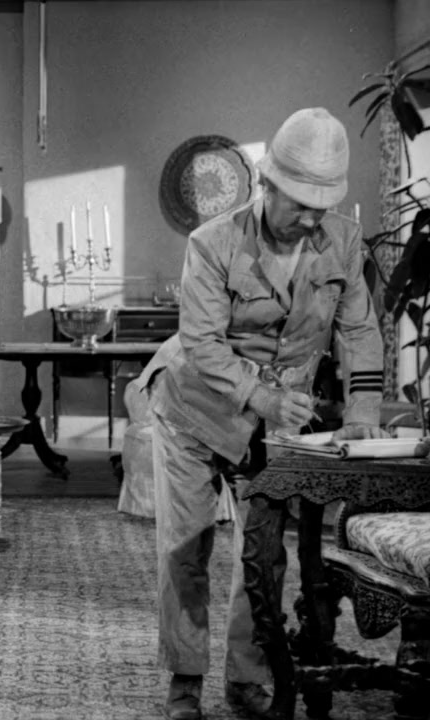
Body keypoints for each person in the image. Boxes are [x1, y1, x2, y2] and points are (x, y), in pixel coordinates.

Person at [148, 108, 388, 720]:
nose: (311, 219)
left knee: (261, 556)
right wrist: (263, 396)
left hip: (275, 423)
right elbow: (202, 344)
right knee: (188, 546)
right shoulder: (212, 243)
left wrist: (362, 411)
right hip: (194, 410)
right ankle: (184, 680)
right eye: (300, 205)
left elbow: (360, 329)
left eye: (321, 207)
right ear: (266, 184)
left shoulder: (342, 240)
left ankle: (248, 677)